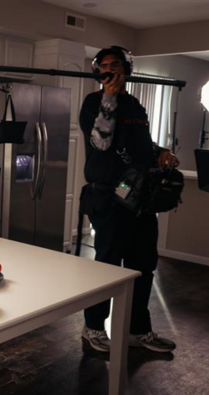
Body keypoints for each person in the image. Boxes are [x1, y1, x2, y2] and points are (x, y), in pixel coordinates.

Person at [79, 46, 179, 353]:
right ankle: (93, 328)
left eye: (116, 65)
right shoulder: (94, 102)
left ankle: (138, 330)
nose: (111, 70)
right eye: (104, 66)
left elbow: (140, 144)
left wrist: (160, 150)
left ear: (127, 70)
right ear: (98, 72)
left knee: (143, 266)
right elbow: (101, 142)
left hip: (139, 198)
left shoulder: (135, 105)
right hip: (107, 197)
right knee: (108, 266)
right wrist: (108, 96)